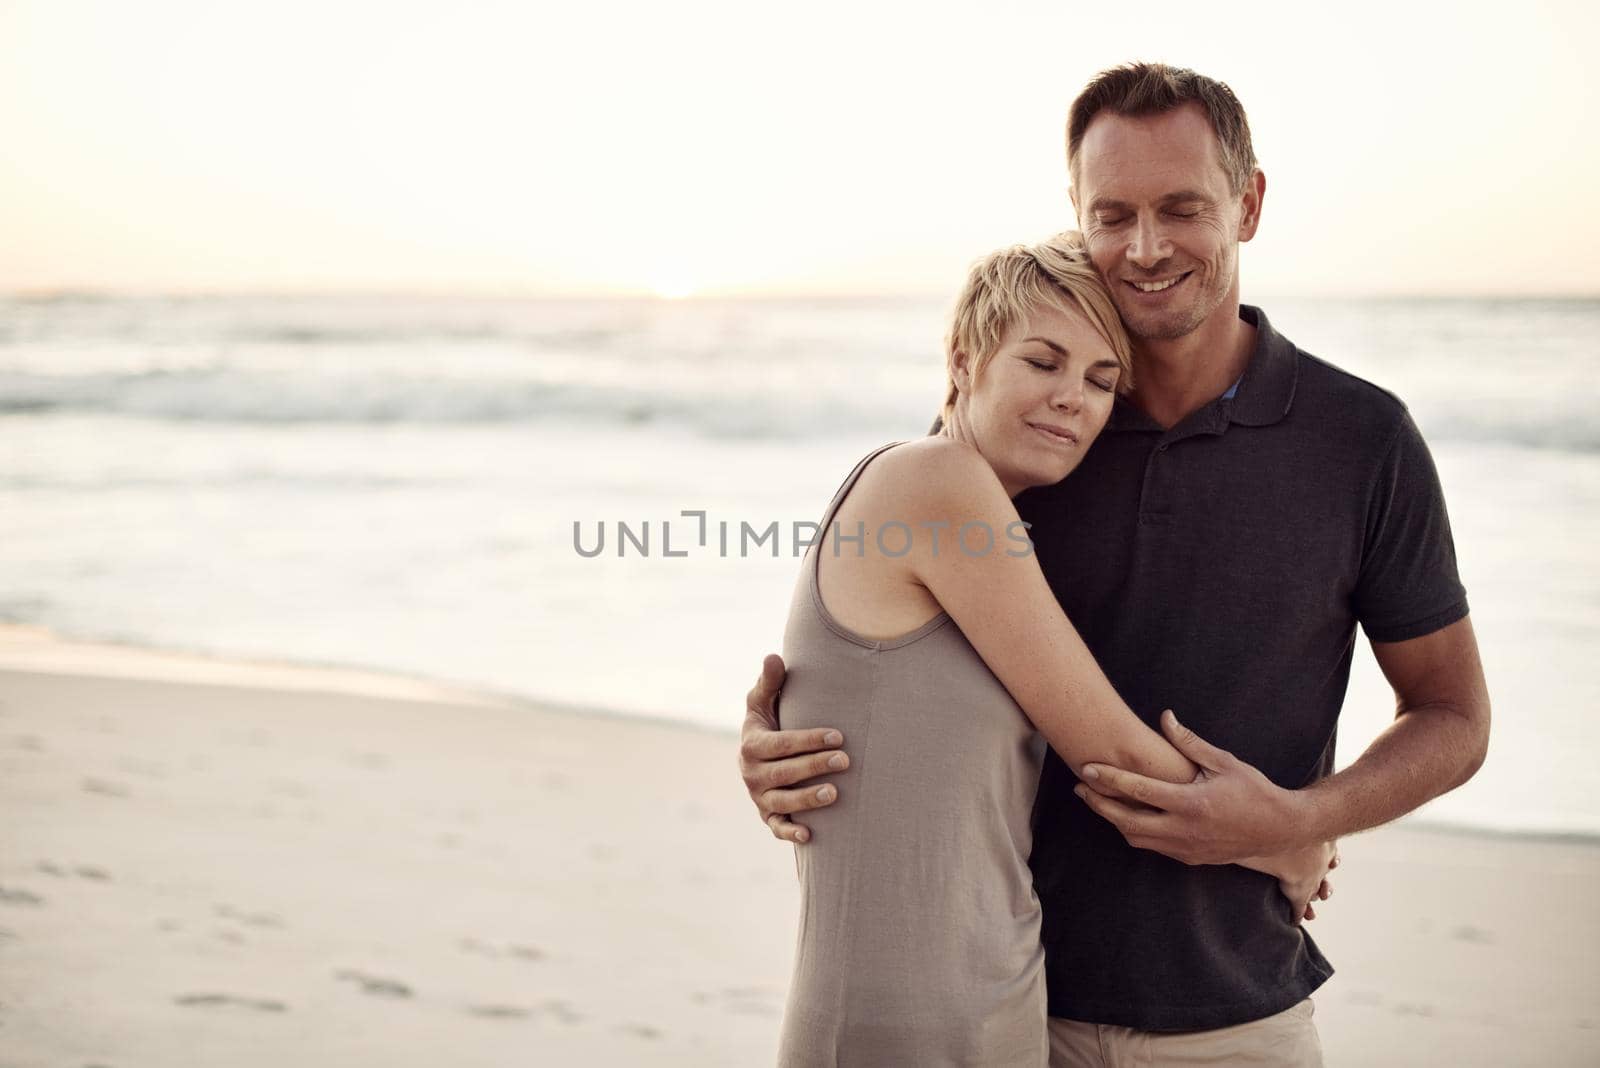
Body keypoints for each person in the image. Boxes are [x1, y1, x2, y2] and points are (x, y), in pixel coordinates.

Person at [741, 62, 1490, 1066]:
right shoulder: (1027, 448)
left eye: (1181, 209)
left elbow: (1452, 715)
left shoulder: (1360, 440)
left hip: (1237, 1012)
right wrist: (783, 742)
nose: (1143, 248)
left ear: (1248, 204)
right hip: (1020, 1004)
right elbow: (882, 643)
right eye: (1112, 214)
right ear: (1078, 216)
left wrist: (1305, 816)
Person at [771, 232, 1333, 1067]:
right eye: (1043, 361)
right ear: (964, 359)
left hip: (996, 1006)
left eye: (1102, 379)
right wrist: (1283, 836)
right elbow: (1108, 750)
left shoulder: (978, 519)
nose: (1074, 397)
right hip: (901, 1022)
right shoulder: (934, 482)